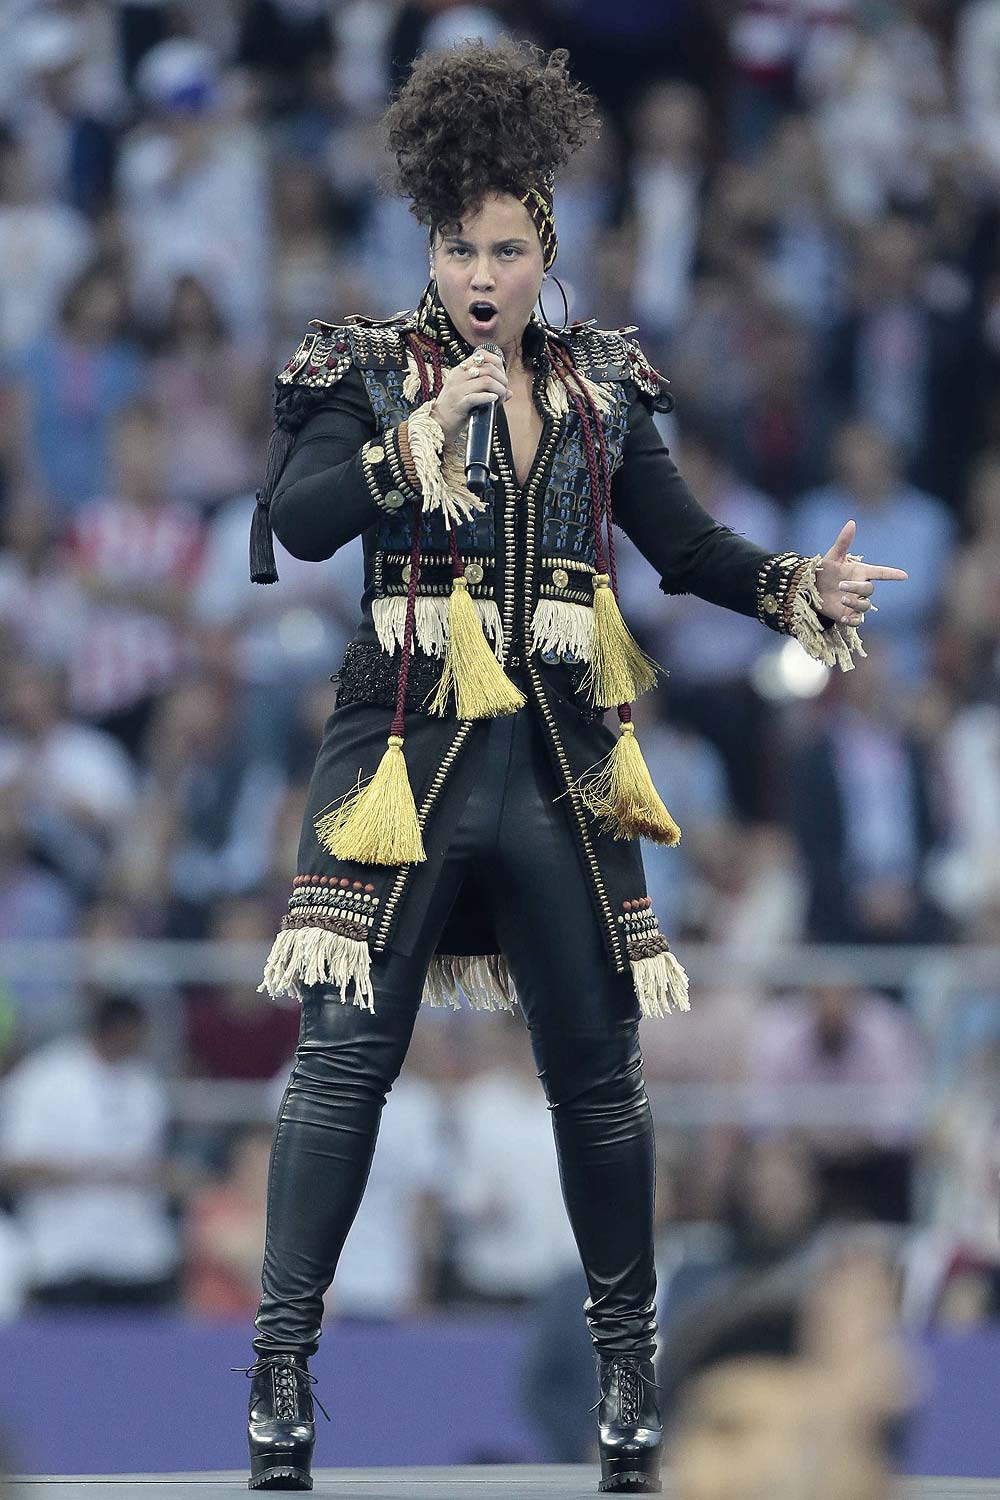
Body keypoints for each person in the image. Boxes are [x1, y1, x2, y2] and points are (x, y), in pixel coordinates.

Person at [233, 40, 907, 1494]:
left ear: (549, 245)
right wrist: (412, 441)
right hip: (400, 748)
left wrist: (799, 587)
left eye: (510, 246)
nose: (484, 273)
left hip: (558, 760)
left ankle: (626, 1380)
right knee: (344, 1063)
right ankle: (281, 1370)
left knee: (601, 1082)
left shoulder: (605, 387)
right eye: (461, 247)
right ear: (428, 245)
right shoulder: (360, 369)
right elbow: (289, 523)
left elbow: (686, 549)